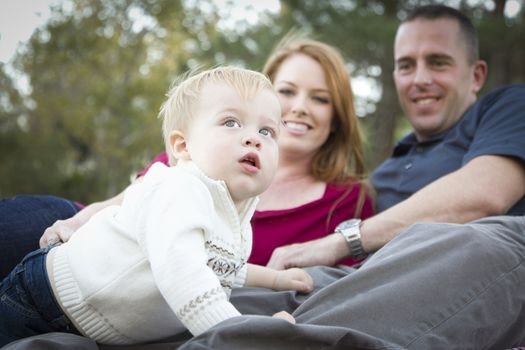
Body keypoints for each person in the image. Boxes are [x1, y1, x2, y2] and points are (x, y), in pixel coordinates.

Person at [0, 34, 374, 277]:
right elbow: (129, 199)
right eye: (287, 91)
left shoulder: (348, 202)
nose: (299, 107)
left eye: (320, 98)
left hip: (162, 297)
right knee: (22, 228)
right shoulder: (203, 151)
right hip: (105, 241)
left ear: (338, 115)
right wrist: (82, 220)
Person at [0, 66, 314, 347]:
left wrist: (273, 280)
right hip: (42, 301)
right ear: (182, 146)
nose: (253, 139)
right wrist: (243, 335)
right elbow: (186, 273)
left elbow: (218, 264)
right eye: (231, 122)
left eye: (266, 131)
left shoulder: (236, 214)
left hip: (92, 321)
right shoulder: (181, 189)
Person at [264, 4, 525, 269]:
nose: (420, 79)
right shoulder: (381, 179)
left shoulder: (509, 107)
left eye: (438, 63)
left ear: (477, 75)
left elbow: (485, 193)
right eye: (406, 66)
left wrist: (340, 242)